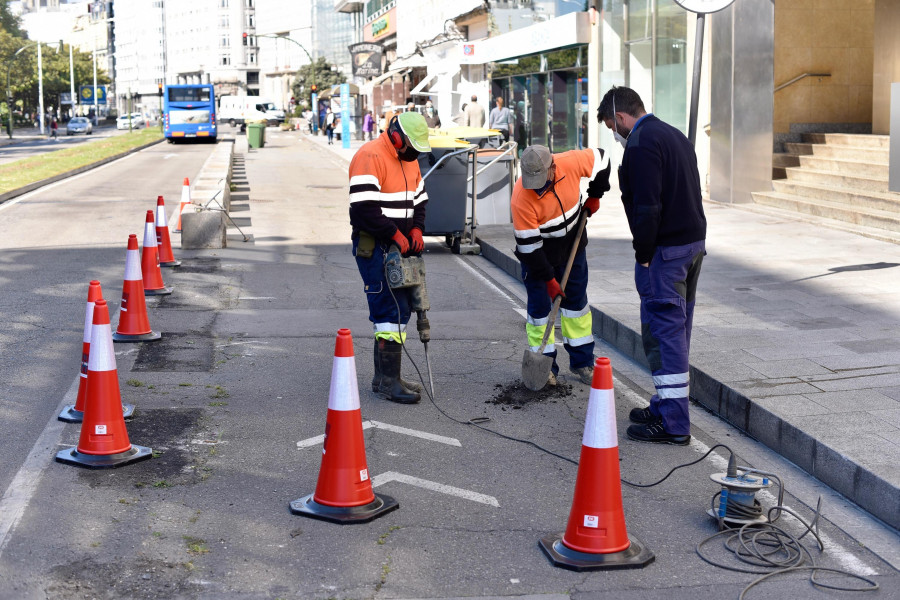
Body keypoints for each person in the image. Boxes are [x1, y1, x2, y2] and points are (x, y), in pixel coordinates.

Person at [597, 85, 706, 446]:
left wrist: (643, 253)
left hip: (666, 253)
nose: (615, 132)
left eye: (613, 124)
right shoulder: (672, 134)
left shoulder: (642, 145)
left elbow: (647, 208)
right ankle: (664, 403)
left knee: (664, 335)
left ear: (623, 116)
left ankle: (674, 424)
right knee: (677, 331)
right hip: (691, 246)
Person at [349, 111, 432, 404]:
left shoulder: (409, 161)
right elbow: (363, 210)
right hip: (377, 246)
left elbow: (419, 200)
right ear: (397, 138)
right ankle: (388, 382)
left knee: (401, 308)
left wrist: (418, 230)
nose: (415, 155)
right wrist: (396, 235)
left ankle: (386, 376)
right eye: (413, 148)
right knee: (389, 311)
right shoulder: (370, 156)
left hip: (402, 247)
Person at [511, 144, 611, 386]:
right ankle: (544, 364)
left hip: (572, 247)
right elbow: (530, 249)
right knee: (539, 312)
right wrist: (549, 281)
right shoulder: (520, 198)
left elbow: (604, 157)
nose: (535, 188)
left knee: (576, 306)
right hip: (539, 254)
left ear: (552, 168)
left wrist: (595, 194)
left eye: (540, 180)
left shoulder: (571, 162)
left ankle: (582, 361)